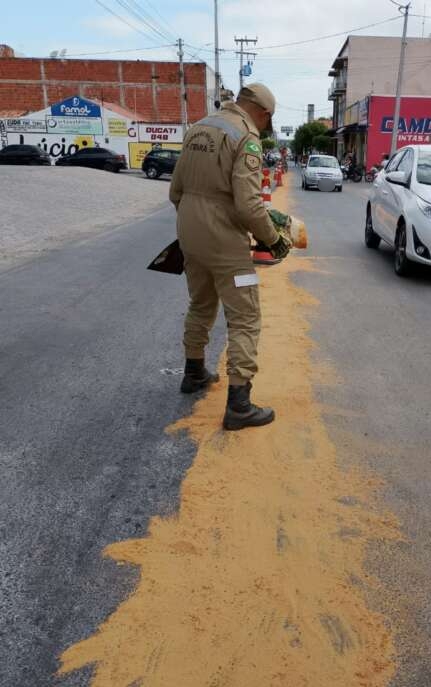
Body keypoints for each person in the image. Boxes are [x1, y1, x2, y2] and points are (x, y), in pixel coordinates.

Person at [169, 83, 290, 431]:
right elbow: (249, 205)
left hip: (189, 231)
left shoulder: (198, 128)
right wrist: (273, 239)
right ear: (264, 113)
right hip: (223, 238)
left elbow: (175, 191)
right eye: (267, 121)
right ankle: (239, 405)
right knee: (245, 317)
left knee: (201, 303)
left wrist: (194, 224)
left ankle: (193, 373)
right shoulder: (246, 137)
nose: (265, 127)